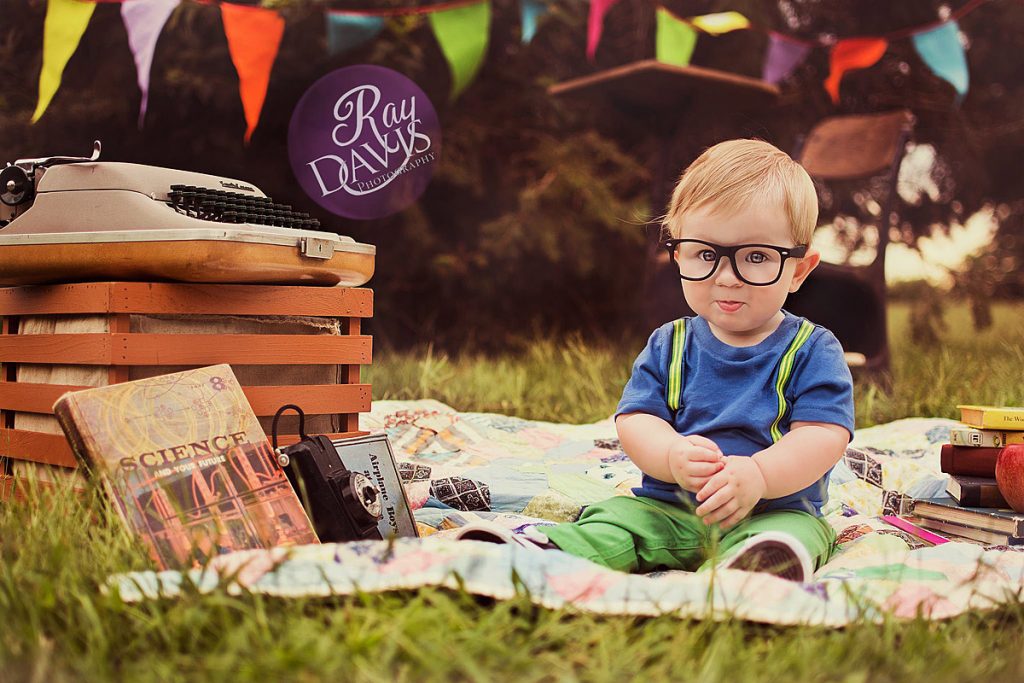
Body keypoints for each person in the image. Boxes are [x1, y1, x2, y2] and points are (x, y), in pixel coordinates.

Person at [455, 139, 854, 582]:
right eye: (706, 254)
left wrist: (760, 474)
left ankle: (754, 572)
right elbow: (636, 420)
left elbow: (823, 436)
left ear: (799, 269)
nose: (726, 276)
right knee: (619, 518)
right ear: (678, 254)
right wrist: (670, 454)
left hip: (774, 510)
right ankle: (542, 554)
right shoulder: (670, 344)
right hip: (670, 507)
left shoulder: (813, 349)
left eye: (756, 257)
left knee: (798, 534)